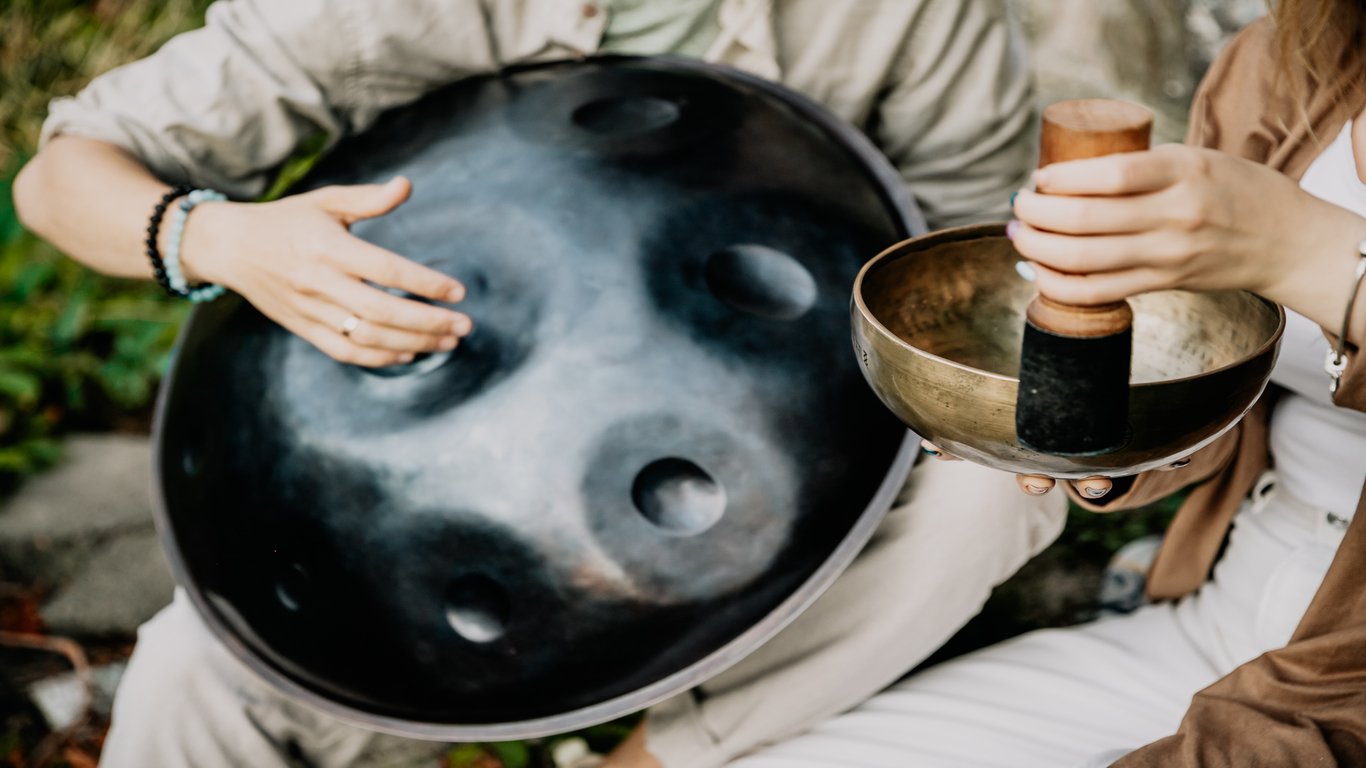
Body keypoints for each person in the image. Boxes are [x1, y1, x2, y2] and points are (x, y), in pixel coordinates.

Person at [12, 2, 1071, 767]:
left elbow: (973, 273)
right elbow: (65, 176)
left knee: (993, 499)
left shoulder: (916, 16)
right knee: (193, 677)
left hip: (793, 466)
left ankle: (662, 757)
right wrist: (220, 237)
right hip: (426, 475)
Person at [716, 2, 1366, 766]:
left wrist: (1306, 254)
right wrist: (1094, 448)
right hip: (1228, 609)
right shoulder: (1297, 58)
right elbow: (1216, 387)